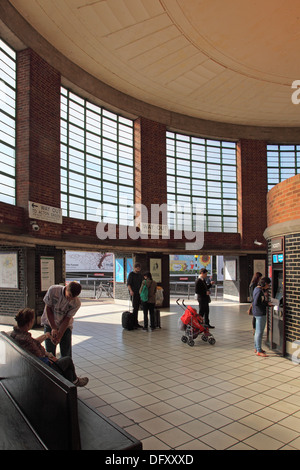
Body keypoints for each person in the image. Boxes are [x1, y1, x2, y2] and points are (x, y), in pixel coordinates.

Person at [11, 308, 88, 386]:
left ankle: (72, 384)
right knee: (67, 361)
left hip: (28, 365)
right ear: (29, 323)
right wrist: (49, 356)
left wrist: (45, 336)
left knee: (65, 364)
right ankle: (74, 383)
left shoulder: (16, 334)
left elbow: (33, 343)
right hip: (42, 369)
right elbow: (39, 354)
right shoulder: (26, 340)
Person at [41, 281, 82, 357]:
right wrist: (53, 328)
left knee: (66, 353)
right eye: (69, 296)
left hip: (65, 327)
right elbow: (48, 308)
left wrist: (60, 335)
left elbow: (67, 319)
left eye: (73, 297)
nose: (70, 299)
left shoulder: (76, 303)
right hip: (49, 323)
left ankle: (65, 368)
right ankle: (51, 368)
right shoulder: (53, 290)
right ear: (66, 288)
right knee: (50, 353)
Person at [252, 276, 273, 357]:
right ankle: (259, 350)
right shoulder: (259, 291)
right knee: (259, 332)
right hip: (260, 313)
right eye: (268, 285)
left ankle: (256, 348)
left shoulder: (257, 289)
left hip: (257, 312)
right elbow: (257, 302)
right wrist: (267, 304)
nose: (269, 286)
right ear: (265, 284)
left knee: (257, 332)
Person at [127, 262, 143, 329]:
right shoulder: (131, 274)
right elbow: (128, 284)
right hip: (133, 293)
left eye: (139, 268)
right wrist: (131, 291)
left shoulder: (140, 275)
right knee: (134, 307)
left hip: (139, 293)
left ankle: (135, 322)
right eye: (137, 268)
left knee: (137, 308)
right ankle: (133, 322)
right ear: (135, 268)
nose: (138, 269)